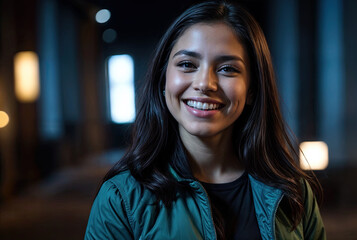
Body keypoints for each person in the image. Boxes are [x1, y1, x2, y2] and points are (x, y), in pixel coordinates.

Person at [85, 1, 326, 239]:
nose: (204, 84)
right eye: (187, 64)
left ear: (252, 88)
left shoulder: (292, 191)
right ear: (163, 80)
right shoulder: (121, 198)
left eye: (228, 69)